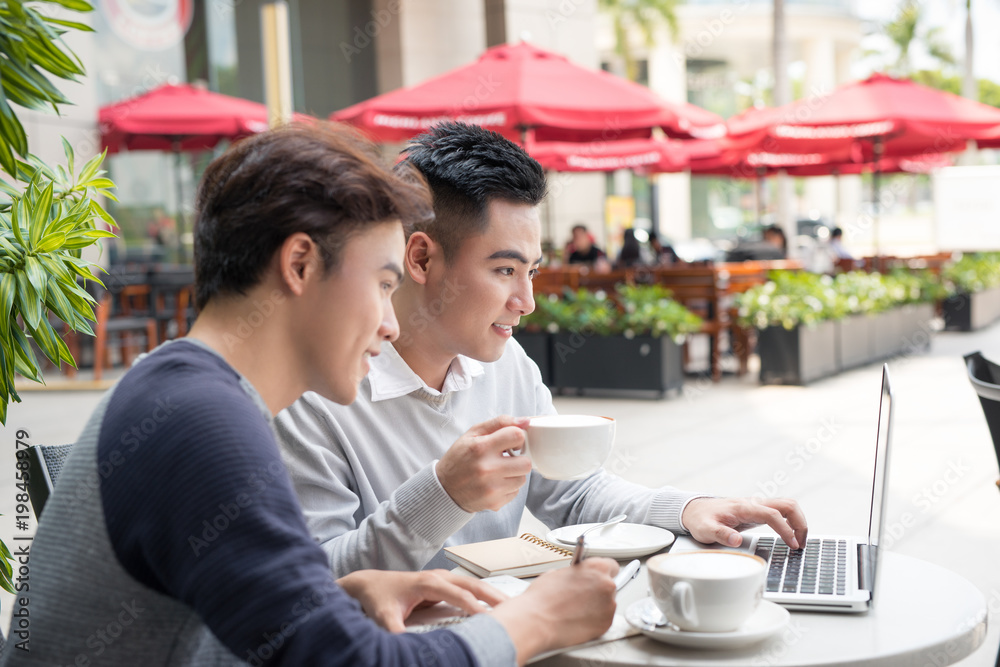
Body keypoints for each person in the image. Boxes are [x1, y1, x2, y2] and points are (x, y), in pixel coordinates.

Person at [0, 123, 620, 666]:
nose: (390, 321)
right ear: (299, 265)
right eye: (382, 282)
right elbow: (346, 661)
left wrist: (340, 594)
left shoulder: (190, 393)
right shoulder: (198, 422)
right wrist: (534, 621)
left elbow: (258, 619)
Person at [275, 122, 808, 577]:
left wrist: (689, 509)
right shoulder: (316, 394)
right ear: (420, 259)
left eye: (530, 271)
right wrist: (442, 496)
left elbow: (570, 493)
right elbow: (317, 581)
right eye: (504, 270)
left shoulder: (506, 365)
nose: (526, 302)